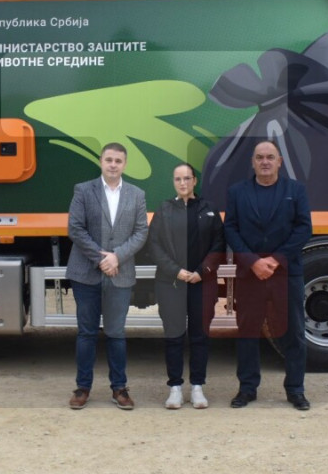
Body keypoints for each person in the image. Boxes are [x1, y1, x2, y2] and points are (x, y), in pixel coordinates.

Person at [223, 140, 313, 410]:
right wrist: (253, 262)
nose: (265, 162)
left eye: (270, 157)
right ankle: (247, 389)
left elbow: (303, 229)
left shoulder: (295, 190)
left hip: (285, 273)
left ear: (279, 162)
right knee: (247, 332)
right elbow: (230, 229)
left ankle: (295, 390)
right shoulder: (237, 192)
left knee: (294, 333)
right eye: (260, 157)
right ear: (252, 162)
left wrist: (274, 260)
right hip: (250, 274)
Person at [66, 142, 148, 410]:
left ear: (125, 164)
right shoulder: (83, 190)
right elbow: (75, 228)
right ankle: (82, 388)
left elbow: (141, 232)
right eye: (109, 160)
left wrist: (117, 257)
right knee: (86, 333)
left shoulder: (137, 194)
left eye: (118, 161)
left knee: (116, 333)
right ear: (101, 161)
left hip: (120, 273)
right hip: (86, 273)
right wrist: (103, 259)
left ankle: (119, 389)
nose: (113, 165)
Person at [148, 162, 225, 409]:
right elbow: (154, 245)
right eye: (178, 179)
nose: (182, 183)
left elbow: (219, 244)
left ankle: (198, 387)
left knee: (200, 335)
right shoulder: (164, 209)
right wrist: (176, 271)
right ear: (174, 182)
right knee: (174, 336)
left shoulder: (209, 209)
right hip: (172, 282)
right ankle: (175, 388)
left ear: (195, 181)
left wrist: (202, 272)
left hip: (202, 282)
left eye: (187, 178)